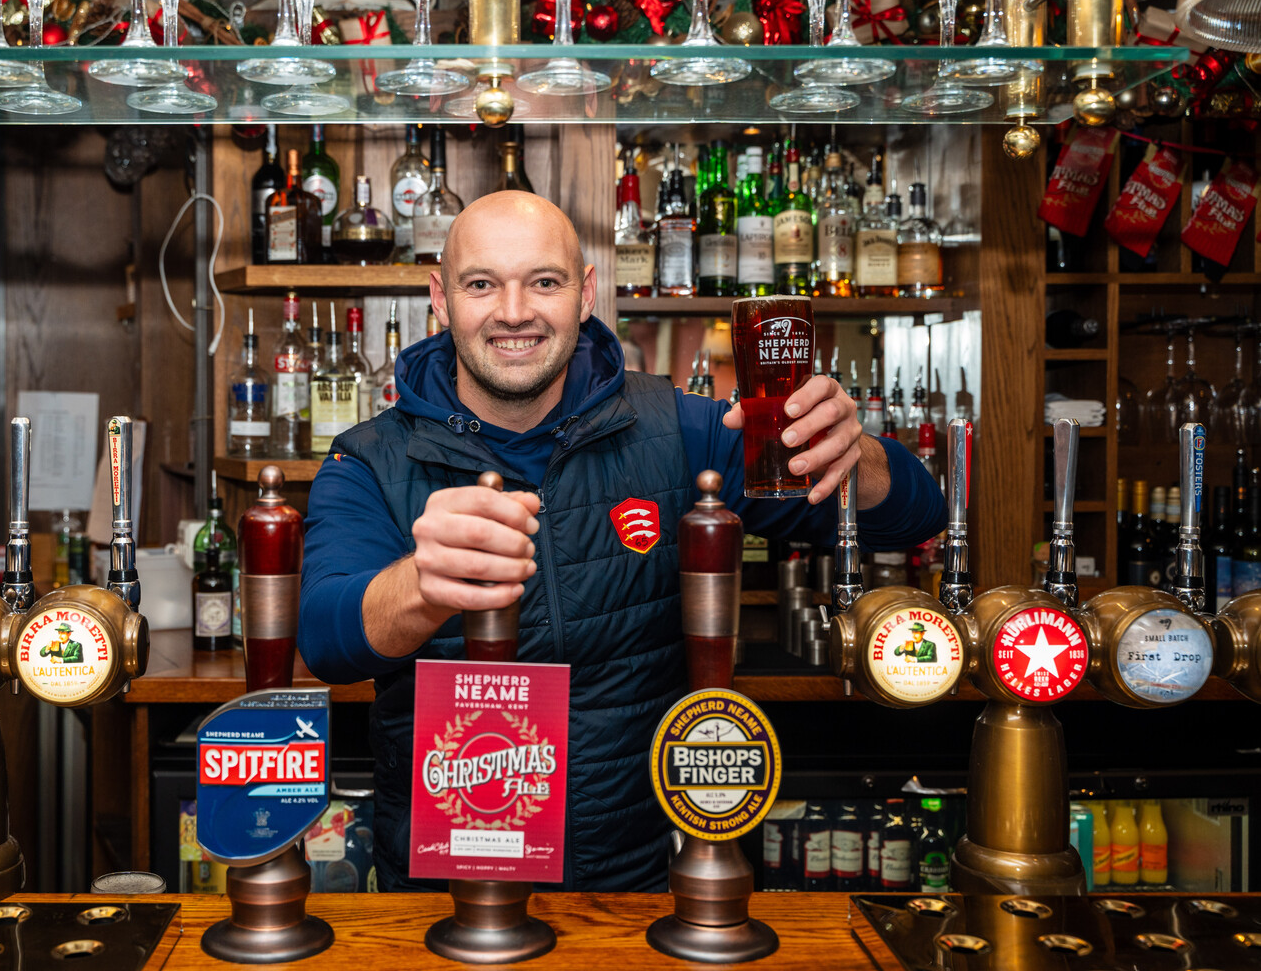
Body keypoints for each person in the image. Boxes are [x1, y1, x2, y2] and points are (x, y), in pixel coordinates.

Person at [298, 192, 946, 892]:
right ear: (441, 299)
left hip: (636, 882)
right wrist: (423, 582)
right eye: (481, 283)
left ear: (584, 295)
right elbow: (329, 640)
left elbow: (912, 517)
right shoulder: (369, 458)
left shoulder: (680, 429)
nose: (513, 311)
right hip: (442, 885)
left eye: (543, 282)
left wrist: (857, 456)